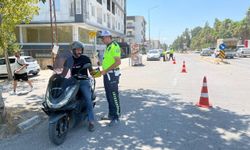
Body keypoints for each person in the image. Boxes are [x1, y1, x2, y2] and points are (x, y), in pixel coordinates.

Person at [62, 41, 95, 132]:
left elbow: (91, 72)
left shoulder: (85, 59)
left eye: (81, 50)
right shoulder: (68, 60)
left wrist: (98, 73)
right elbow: (64, 73)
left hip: (83, 81)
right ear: (73, 51)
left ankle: (91, 121)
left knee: (88, 100)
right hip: (72, 82)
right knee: (64, 96)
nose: (79, 51)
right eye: (77, 50)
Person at [97, 30, 121, 127]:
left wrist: (105, 71)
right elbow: (108, 61)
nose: (102, 40)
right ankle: (111, 115)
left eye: (103, 38)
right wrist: (101, 64)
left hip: (112, 75)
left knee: (114, 95)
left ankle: (116, 116)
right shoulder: (108, 47)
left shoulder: (114, 46)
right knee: (108, 95)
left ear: (108, 37)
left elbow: (118, 62)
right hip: (107, 74)